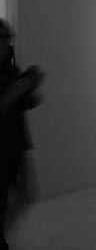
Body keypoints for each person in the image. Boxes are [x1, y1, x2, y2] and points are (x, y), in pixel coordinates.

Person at [0, 20, 44, 250]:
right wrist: (16, 91)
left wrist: (31, 90)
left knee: (23, 196)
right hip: (2, 144)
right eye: (4, 38)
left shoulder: (10, 68)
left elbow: (25, 102)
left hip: (16, 142)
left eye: (9, 37)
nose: (8, 42)